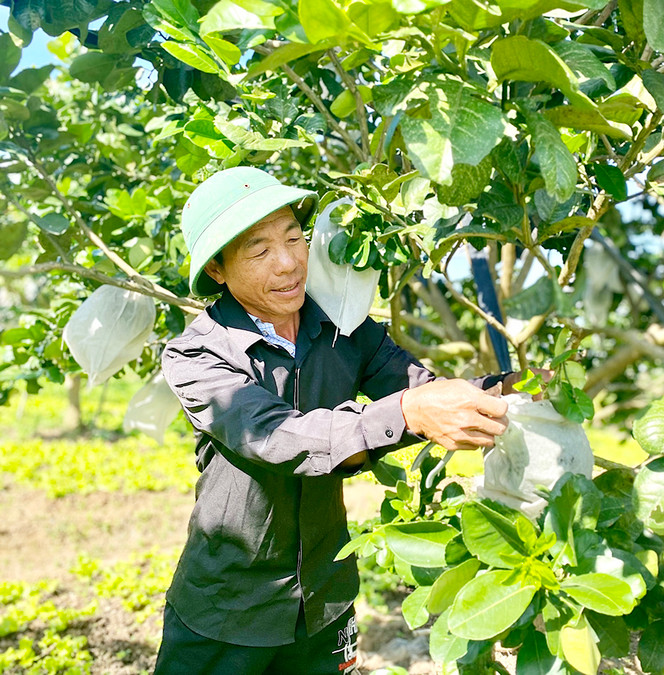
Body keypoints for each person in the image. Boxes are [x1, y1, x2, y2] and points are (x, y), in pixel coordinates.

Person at [155, 166, 522, 674]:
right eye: (259, 251)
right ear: (218, 270)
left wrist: (510, 389)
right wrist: (407, 414)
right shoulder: (197, 353)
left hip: (325, 600)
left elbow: (420, 390)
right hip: (228, 607)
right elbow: (273, 436)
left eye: (294, 238)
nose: (288, 263)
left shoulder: (346, 331)